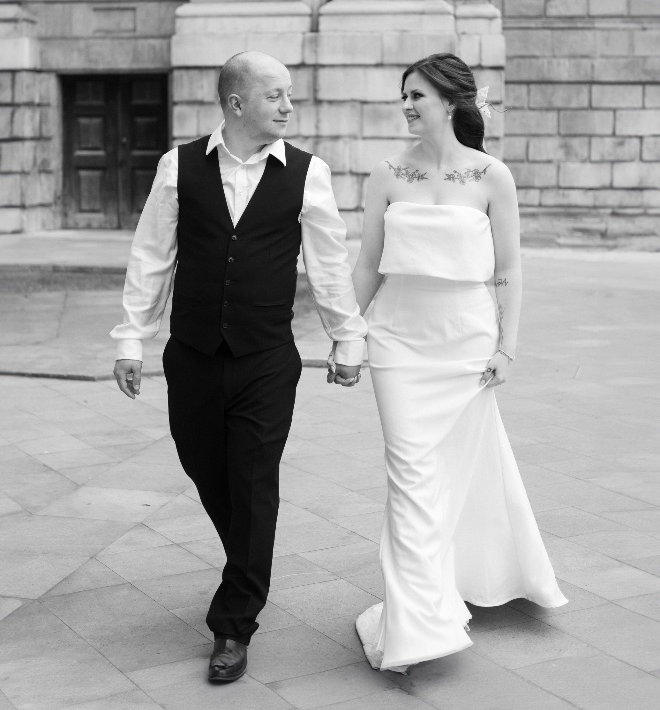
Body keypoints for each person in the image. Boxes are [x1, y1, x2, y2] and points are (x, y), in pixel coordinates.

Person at [112, 51, 366, 684]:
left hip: (265, 360)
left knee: (253, 483)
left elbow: (329, 265)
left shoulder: (308, 174)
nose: (288, 106)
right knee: (205, 468)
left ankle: (234, 621)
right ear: (237, 104)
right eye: (275, 96)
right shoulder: (179, 166)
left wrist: (347, 339)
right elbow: (151, 256)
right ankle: (249, 560)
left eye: (288, 97)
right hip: (192, 355)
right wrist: (131, 339)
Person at [348, 52, 567, 673]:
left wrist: (507, 345)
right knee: (409, 475)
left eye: (417, 95)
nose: (408, 106)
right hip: (396, 341)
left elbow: (509, 269)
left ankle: (464, 578)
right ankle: (417, 622)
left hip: (466, 343)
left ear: (450, 101)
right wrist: (347, 334)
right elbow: (367, 263)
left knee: (455, 472)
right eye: (404, 97)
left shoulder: (492, 176)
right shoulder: (386, 174)